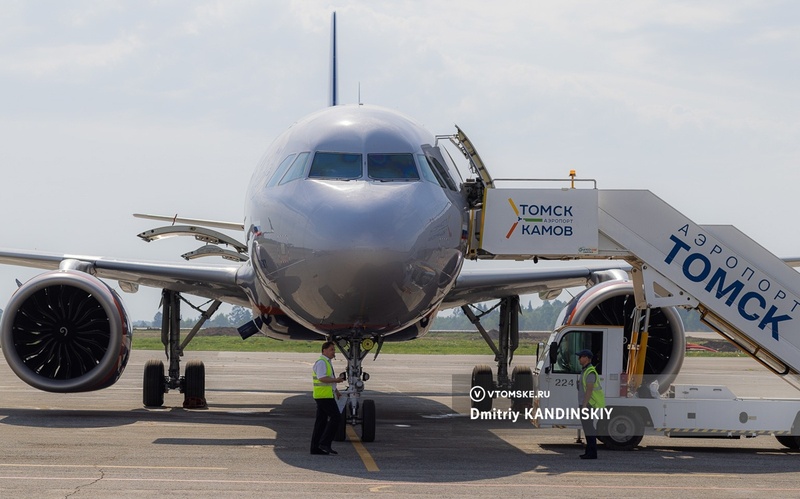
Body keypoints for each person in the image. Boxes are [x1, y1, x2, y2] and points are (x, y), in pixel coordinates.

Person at [310, 341, 345, 455]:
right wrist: (336, 380)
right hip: (324, 396)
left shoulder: (326, 362)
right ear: (324, 350)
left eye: (334, 350)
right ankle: (325, 443)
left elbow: (327, 379)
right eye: (331, 350)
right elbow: (322, 378)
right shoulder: (322, 362)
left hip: (324, 395)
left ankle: (315, 448)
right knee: (336, 418)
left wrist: (336, 390)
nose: (333, 352)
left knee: (321, 422)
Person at [576, 349, 605, 460]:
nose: (579, 359)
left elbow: (589, 390)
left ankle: (592, 453)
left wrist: (584, 405)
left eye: (581, 357)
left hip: (588, 405)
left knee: (589, 429)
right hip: (586, 404)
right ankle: (589, 451)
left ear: (587, 358)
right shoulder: (585, 370)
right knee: (587, 429)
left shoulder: (590, 372)